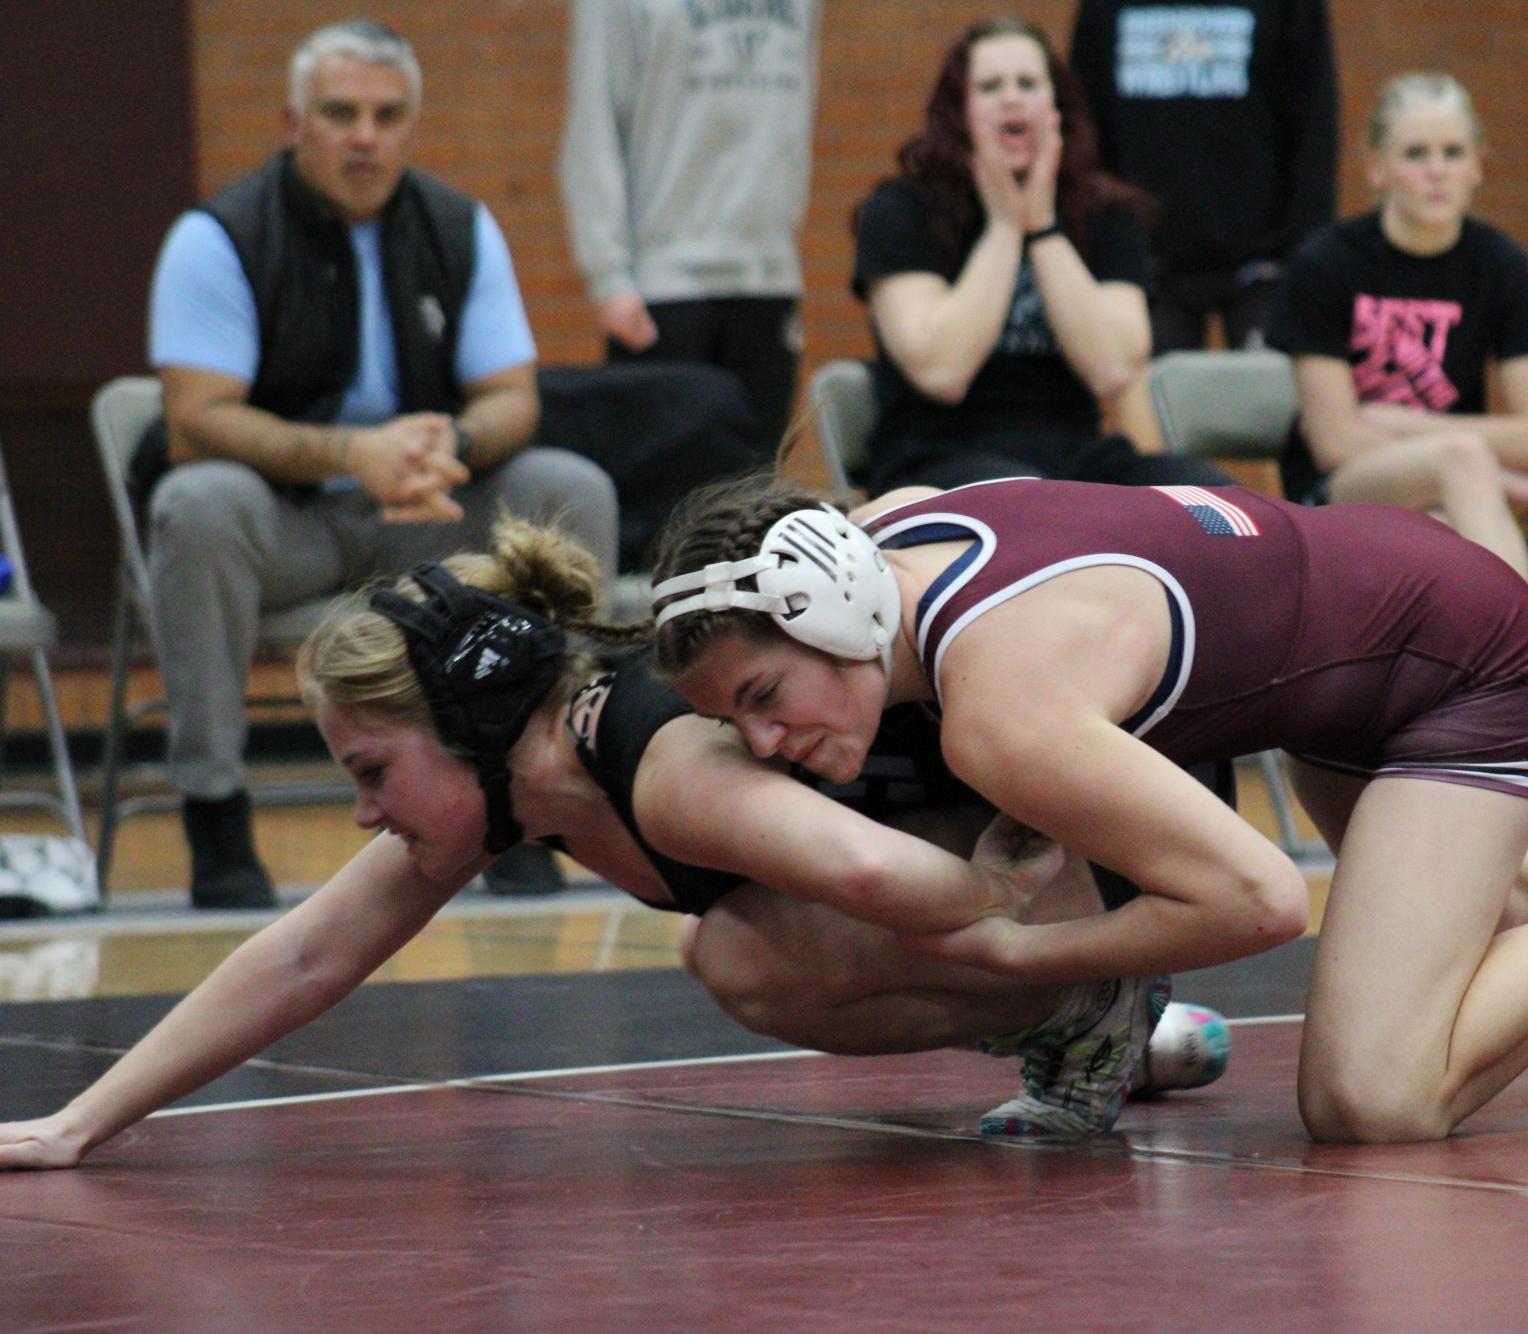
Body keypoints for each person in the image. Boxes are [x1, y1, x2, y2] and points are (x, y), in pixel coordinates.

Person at [0, 518, 1232, 1170]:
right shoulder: (530, 776)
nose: (367, 812)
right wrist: (82, 1120)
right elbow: (306, 954)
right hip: (1041, 838)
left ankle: (1093, 1010)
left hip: (1115, 808)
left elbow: (879, 874)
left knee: (740, 953)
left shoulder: (661, 763)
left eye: (374, 772)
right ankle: (1120, 1017)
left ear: (474, 726)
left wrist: (1029, 888)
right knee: (756, 935)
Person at [647, 472, 1528, 1143]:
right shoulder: (896, 524)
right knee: (1438, 911)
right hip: (1362, 625)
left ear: (830, 604)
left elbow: (1259, 900)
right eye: (735, 724)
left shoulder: (996, 705)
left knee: (1374, 1097)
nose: (767, 743)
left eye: (764, 694)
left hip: (1453, 667)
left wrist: (1027, 950)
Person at [144, 20, 618, 908]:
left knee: (569, 487)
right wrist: (350, 454)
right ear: (293, 123)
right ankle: (213, 812)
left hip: (429, 515)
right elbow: (192, 419)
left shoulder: (458, 226)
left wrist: (454, 448)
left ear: (410, 124)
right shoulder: (219, 236)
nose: (365, 135)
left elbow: (513, 395)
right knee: (195, 501)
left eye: (386, 114)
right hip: (293, 522)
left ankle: (550, 787)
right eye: (341, 112)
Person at [1263, 72, 1528, 767]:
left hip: (1447, 496)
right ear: (1376, 169)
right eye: (1415, 153)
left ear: (1479, 166)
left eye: (1453, 153)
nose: (1436, 171)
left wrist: (1396, 422)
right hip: (1335, 498)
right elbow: (1333, 440)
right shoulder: (1326, 264)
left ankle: (1465, 744)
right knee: (1460, 463)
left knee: (1455, 529)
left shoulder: (1499, 267)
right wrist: (1469, 461)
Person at [849, 16, 1230, 495]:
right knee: (1031, 502)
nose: (1011, 97)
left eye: (1028, 83)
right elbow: (943, 370)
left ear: (1056, 108)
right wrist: (1004, 228)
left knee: (1212, 499)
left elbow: (1113, 369)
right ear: (958, 111)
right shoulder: (901, 210)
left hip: (1075, 458)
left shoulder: (1106, 213)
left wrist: (1044, 226)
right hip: (935, 457)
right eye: (989, 86)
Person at [558, 0, 820, 454]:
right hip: (662, 284)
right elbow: (593, 122)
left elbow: (795, 117)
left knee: (756, 490)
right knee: (665, 495)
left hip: (767, 276)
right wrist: (609, 276)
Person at [1068, 0, 1337, 353]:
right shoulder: (1103, 9)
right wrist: (1104, 244)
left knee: (1274, 399)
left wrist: (1306, 258)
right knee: (1152, 401)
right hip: (1147, 259)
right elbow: (1085, 124)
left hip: (1264, 262)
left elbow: (1313, 128)